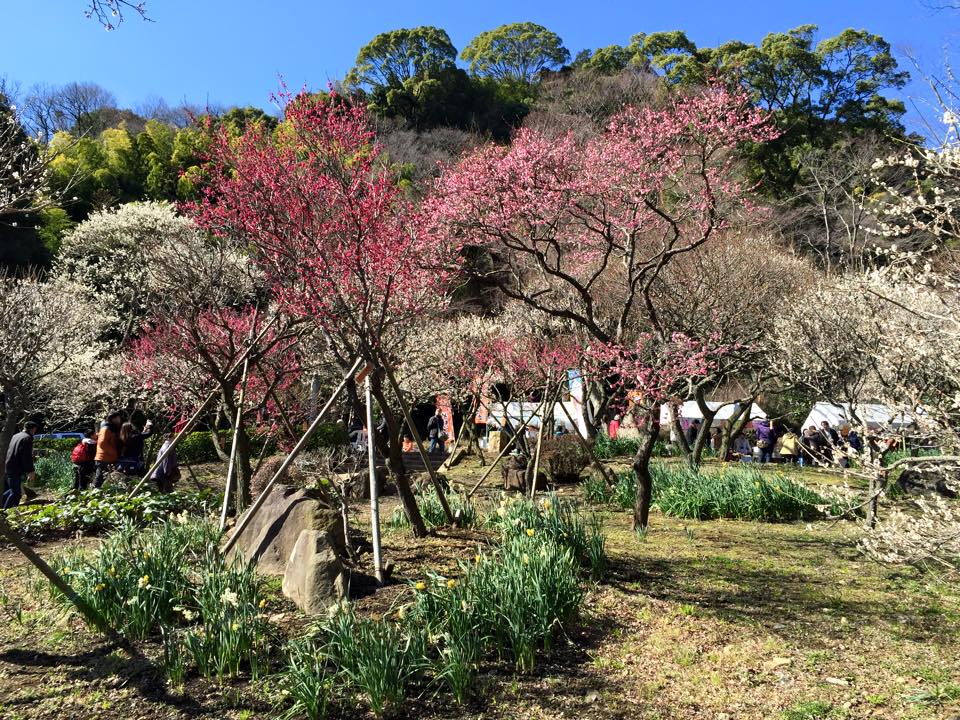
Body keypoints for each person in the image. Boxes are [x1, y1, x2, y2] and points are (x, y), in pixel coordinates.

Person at [4, 421, 37, 509]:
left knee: (10, 490)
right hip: (15, 468)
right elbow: (26, 456)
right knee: (16, 494)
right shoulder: (27, 438)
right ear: (33, 429)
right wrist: (30, 471)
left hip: (7, 466)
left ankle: (4, 509)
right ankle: (6, 513)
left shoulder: (15, 436)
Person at [94, 411, 124, 488]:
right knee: (100, 478)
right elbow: (102, 443)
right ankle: (94, 494)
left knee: (107, 478)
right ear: (113, 419)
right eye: (118, 418)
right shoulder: (106, 428)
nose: (119, 420)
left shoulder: (112, 428)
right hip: (104, 458)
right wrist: (112, 452)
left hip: (109, 458)